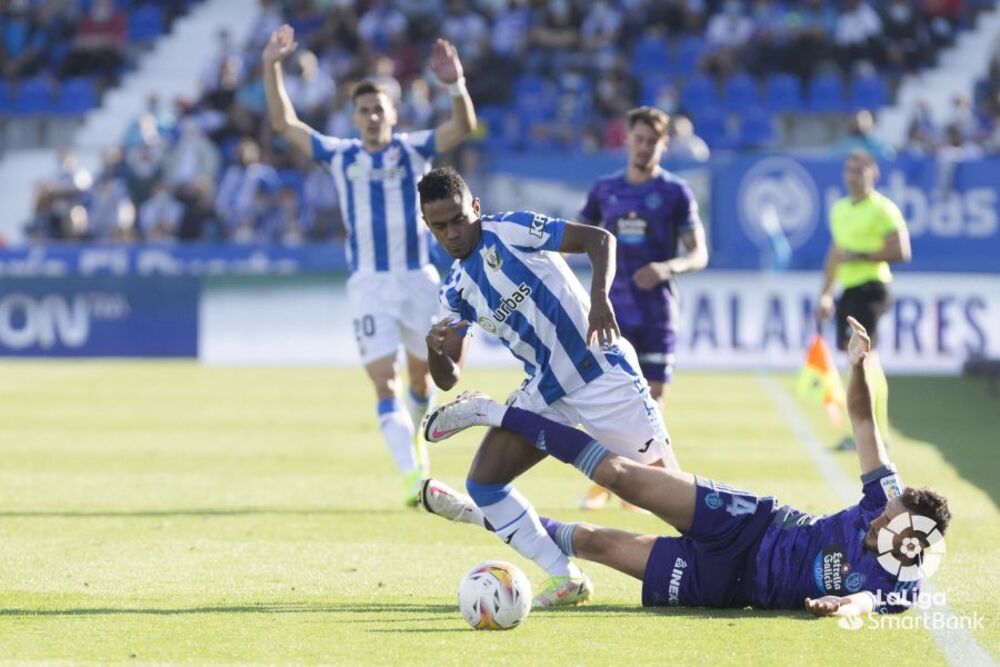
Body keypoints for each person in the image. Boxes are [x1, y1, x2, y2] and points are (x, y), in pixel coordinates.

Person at [420, 317, 950, 617]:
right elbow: (863, 421)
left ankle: (475, 515)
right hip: (750, 521)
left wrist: (842, 607)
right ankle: (493, 410)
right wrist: (858, 365)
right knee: (619, 476)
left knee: (596, 543)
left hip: (726, 585)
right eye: (887, 512)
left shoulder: (899, 585)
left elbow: (864, 601)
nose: (880, 517)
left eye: (889, 522)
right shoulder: (887, 497)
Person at [417, 166, 678, 608]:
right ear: (428, 226)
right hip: (546, 390)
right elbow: (449, 378)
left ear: (475, 207)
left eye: (458, 219)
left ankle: (737, 552)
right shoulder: (456, 292)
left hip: (602, 373)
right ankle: (565, 576)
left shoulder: (512, 230)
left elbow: (600, 240)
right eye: (439, 227)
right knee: (485, 483)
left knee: (669, 498)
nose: (452, 234)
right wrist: (435, 350)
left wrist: (600, 298)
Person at [262, 25, 477, 506]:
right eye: (364, 110)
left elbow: (461, 127)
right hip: (368, 285)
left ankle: (419, 438)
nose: (373, 115)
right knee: (386, 380)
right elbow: (284, 124)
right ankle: (410, 478)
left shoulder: (414, 149)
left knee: (423, 382)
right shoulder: (341, 156)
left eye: (380, 108)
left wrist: (455, 84)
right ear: (354, 117)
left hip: (418, 281)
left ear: (393, 114)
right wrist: (271, 65)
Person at [577, 106, 708, 511]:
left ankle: (643, 484)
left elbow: (699, 253)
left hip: (657, 309)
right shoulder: (604, 190)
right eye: (639, 139)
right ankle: (606, 482)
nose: (645, 147)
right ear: (628, 140)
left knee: (653, 397)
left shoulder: (675, 193)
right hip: (611, 308)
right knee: (607, 395)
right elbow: (577, 236)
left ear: (664, 145)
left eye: (653, 141)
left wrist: (668, 266)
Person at [818, 150, 911, 450]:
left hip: (873, 288)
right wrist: (825, 293)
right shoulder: (839, 210)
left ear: (874, 175)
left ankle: (873, 435)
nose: (853, 176)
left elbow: (901, 251)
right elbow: (835, 253)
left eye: (860, 170)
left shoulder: (883, 209)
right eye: (849, 170)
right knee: (863, 361)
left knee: (863, 360)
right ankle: (871, 433)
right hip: (850, 291)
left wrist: (861, 255)